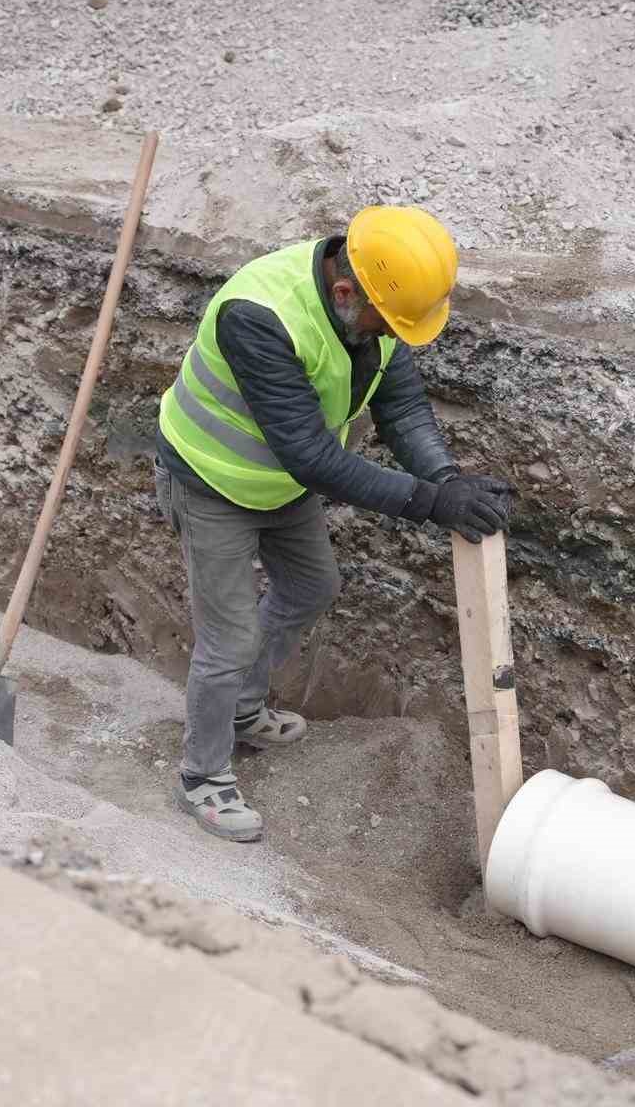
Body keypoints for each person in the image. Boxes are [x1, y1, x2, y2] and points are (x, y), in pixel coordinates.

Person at [154, 205, 511, 842]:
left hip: (278, 481)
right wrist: (429, 503)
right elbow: (313, 456)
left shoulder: (373, 305)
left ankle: (241, 711)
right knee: (228, 637)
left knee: (313, 586)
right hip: (210, 478)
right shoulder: (260, 317)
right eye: (385, 323)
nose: (387, 336)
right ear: (346, 293)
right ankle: (202, 778)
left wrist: (448, 478)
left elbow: (401, 407)